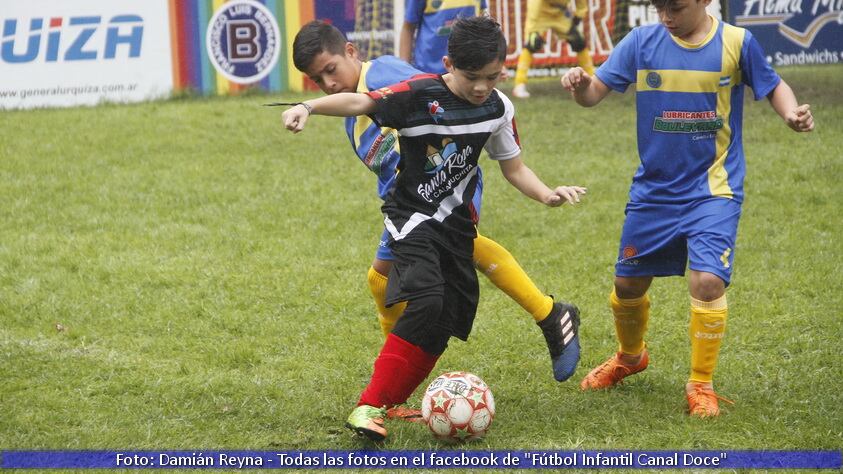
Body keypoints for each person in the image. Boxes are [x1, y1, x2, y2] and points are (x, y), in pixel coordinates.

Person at [283, 16, 587, 441]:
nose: (327, 83)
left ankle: (550, 314)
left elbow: (440, 101)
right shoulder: (354, 111)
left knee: (440, 288)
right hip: (410, 209)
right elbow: (385, 128)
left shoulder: (389, 75)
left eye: (330, 70)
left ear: (351, 52)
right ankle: (386, 397)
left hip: (452, 197)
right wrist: (309, 108)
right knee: (392, 286)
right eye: (316, 80)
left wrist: (547, 193)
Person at [560, 0, 814, 417]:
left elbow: (773, 85)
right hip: (654, 193)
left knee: (708, 283)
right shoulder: (640, 42)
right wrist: (580, 84)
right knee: (628, 287)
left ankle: (701, 384)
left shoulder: (737, 42)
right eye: (660, 8)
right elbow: (593, 96)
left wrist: (791, 113)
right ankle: (630, 356)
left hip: (713, 189)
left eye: (674, 8)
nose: (666, 17)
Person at [512, 0, 596, 99]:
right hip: (540, 12)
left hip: (560, 13)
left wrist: (579, 14)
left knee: (579, 42)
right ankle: (519, 85)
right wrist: (532, 25)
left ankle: (592, 80)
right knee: (532, 43)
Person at [400, 0, 487, 75]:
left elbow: (482, 23)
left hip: (468, 70)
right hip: (428, 72)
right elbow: (408, 28)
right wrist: (404, 70)